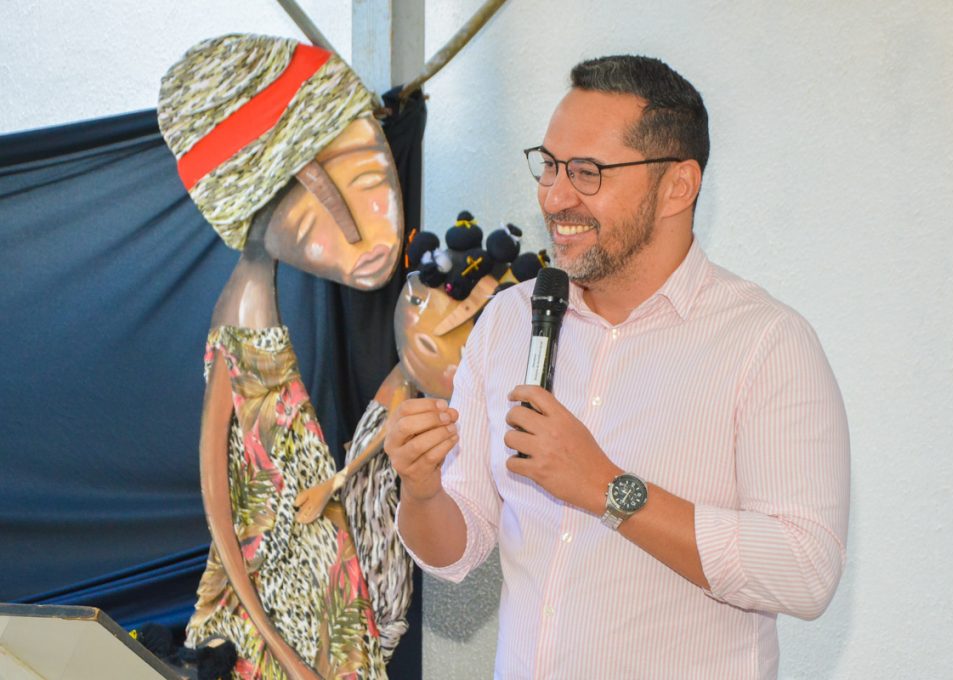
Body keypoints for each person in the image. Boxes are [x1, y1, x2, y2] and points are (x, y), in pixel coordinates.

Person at [385, 55, 850, 679]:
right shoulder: (506, 320)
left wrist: (606, 488)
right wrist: (421, 489)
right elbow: (456, 551)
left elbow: (805, 570)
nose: (555, 196)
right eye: (549, 165)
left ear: (678, 186)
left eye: (587, 172)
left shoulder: (766, 343)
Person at [158, 34, 403, 679]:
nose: (360, 231)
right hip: (279, 589)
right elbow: (220, 506)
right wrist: (282, 650)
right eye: (308, 217)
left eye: (371, 178)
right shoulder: (239, 328)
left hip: (317, 568)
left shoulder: (255, 315)